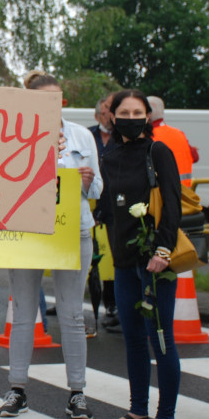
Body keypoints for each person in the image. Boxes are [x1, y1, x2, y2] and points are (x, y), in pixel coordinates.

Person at [0, 71, 101, 419]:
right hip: (27, 231)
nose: (51, 105)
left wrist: (86, 181)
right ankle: (17, 389)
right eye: (43, 99)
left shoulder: (82, 136)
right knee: (24, 313)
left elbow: (98, 188)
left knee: (72, 314)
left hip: (73, 230)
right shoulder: (12, 135)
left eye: (57, 98)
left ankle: (77, 393)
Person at [97, 89, 182, 419]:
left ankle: (166, 418)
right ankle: (138, 409)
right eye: (125, 112)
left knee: (160, 338)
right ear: (111, 116)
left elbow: (173, 202)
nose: (132, 117)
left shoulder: (157, 151)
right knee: (132, 337)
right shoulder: (109, 154)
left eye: (138, 111)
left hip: (153, 261)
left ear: (147, 116)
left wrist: (164, 250)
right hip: (122, 257)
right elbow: (106, 203)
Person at [88, 92, 120, 333]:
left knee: (115, 257)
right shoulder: (89, 135)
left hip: (116, 206)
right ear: (98, 114)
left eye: (112, 111)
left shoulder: (122, 138)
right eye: (105, 111)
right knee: (96, 261)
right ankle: (101, 303)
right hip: (93, 207)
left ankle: (114, 305)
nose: (108, 116)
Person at [147, 96, 198, 186]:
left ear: (148, 113)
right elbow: (195, 157)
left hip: (163, 192)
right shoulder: (179, 133)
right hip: (186, 192)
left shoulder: (148, 136)